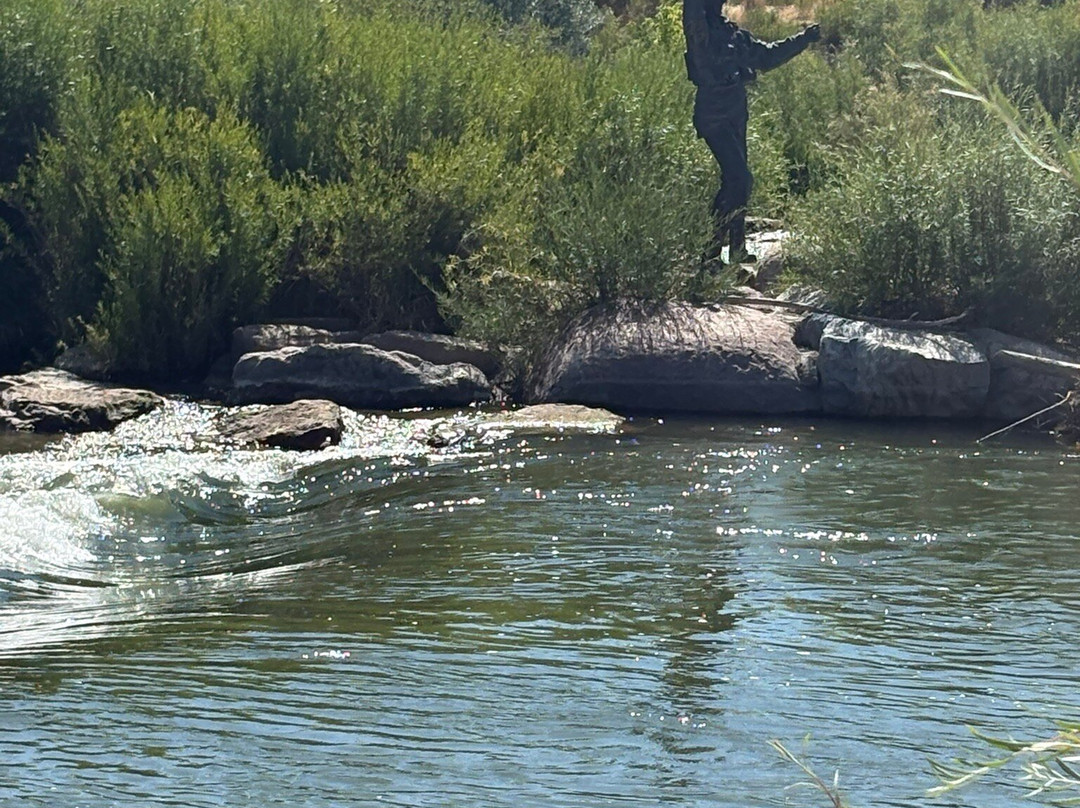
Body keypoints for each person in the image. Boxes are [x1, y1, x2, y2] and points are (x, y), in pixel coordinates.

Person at [683, 0, 820, 263]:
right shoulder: (701, 34)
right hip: (713, 115)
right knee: (740, 178)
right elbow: (693, 12)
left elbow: (767, 56)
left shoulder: (734, 35)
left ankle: (734, 249)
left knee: (736, 184)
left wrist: (803, 39)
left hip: (736, 111)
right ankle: (711, 250)